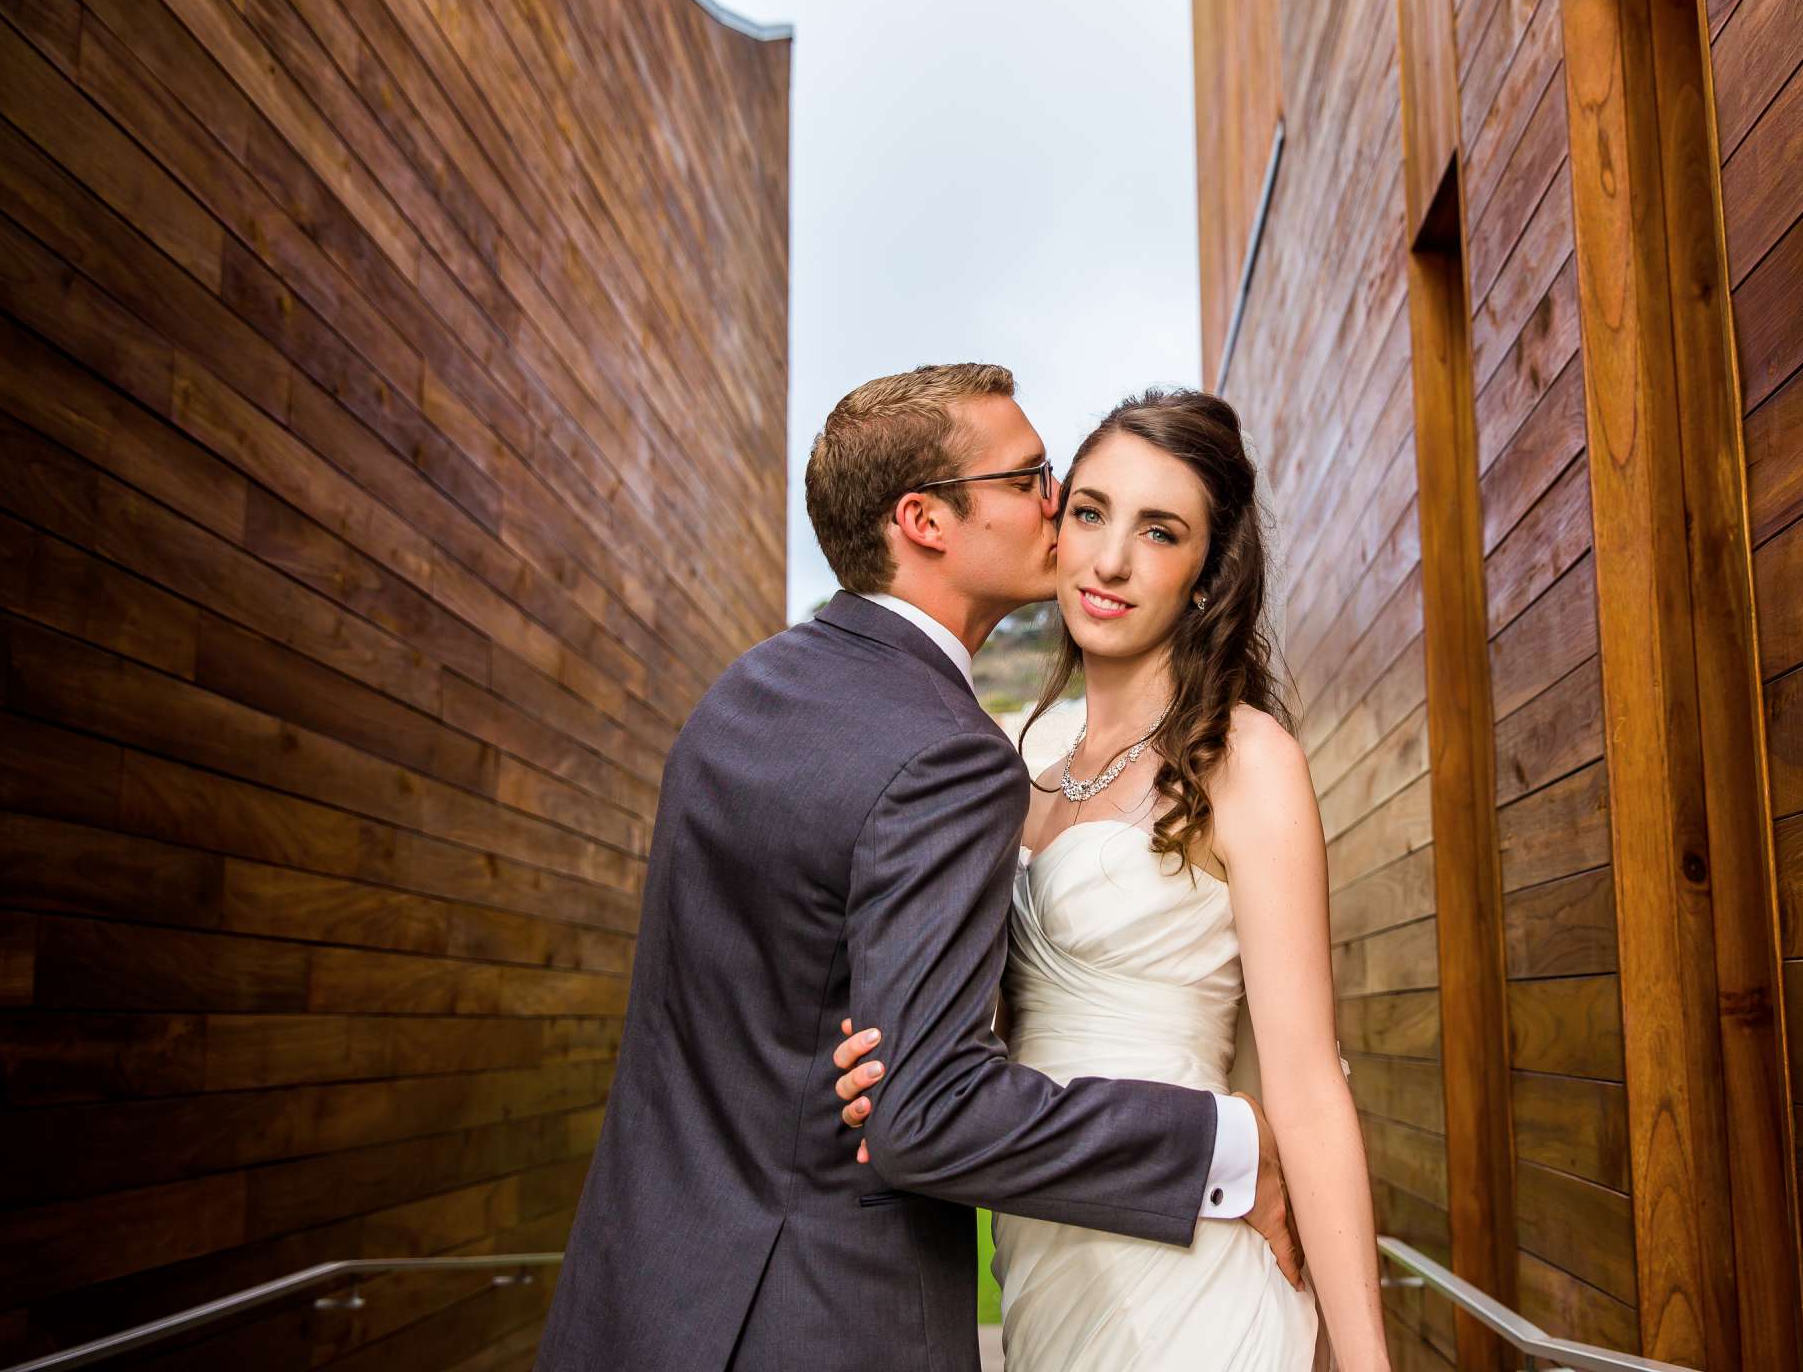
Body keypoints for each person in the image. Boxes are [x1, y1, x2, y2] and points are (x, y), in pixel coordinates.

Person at [535, 366, 1301, 1372]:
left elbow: (777, 1006)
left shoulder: (739, 698)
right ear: (924, 520)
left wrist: (921, 1045)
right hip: (821, 1322)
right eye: (1029, 477)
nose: (1052, 505)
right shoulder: (949, 753)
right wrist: (1225, 1148)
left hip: (634, 1306)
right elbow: (923, 1117)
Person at [830, 389, 1391, 1371]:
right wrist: (881, 1055)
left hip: (1192, 1268)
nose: (1113, 559)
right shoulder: (1008, 751)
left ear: (1206, 574)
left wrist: (1365, 1357)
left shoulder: (1247, 760)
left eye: (1161, 530)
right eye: (1090, 511)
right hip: (1047, 1259)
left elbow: (1305, 1086)